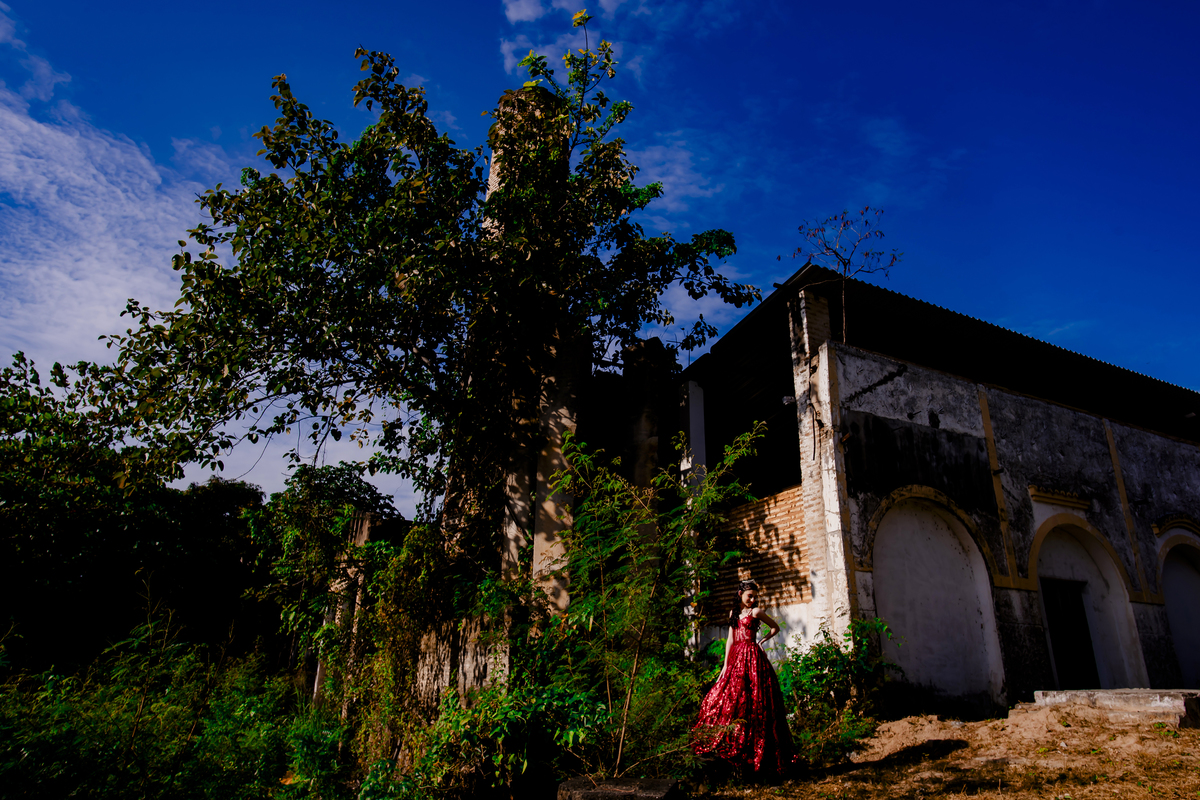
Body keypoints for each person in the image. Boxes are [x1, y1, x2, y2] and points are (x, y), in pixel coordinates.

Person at [691, 579, 795, 776]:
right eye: (750, 596)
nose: (753, 600)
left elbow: (775, 628)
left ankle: (758, 753)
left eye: (756, 596)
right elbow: (731, 639)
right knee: (727, 697)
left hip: (753, 657)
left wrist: (762, 641)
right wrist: (725, 664)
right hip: (736, 658)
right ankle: (733, 742)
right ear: (741, 594)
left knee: (756, 699)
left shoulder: (756, 612)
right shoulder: (734, 613)